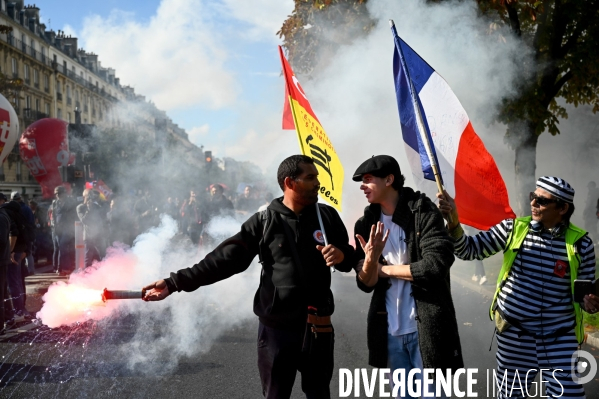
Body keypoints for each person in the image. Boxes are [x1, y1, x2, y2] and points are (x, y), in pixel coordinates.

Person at [143, 155, 356, 399]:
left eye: (317, 177)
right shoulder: (264, 221)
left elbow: (350, 259)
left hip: (319, 327)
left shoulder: (327, 217)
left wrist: (341, 255)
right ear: (290, 182)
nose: (318, 182)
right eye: (310, 177)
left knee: (319, 394)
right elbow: (222, 261)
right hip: (276, 332)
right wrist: (174, 282)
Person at [437, 176, 599, 398]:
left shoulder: (582, 244)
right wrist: (454, 222)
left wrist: (590, 302)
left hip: (559, 338)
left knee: (569, 395)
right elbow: (469, 250)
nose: (533, 203)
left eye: (541, 201)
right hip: (515, 336)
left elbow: (584, 294)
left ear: (562, 208)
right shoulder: (512, 229)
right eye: (533, 197)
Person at [352, 155, 463, 398]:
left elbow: (435, 266)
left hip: (426, 328)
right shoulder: (366, 223)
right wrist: (371, 261)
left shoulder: (422, 212)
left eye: (368, 180)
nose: (362, 185)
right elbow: (366, 284)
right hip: (390, 331)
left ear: (389, 180)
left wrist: (385, 269)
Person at [77, 189, 107, 267]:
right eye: (88, 196)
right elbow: (84, 220)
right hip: (88, 235)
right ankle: (87, 275)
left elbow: (103, 217)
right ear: (84, 197)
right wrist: (89, 209)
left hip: (99, 234)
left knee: (102, 256)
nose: (90, 198)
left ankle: (102, 274)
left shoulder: (96, 206)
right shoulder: (80, 207)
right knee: (88, 257)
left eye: (91, 195)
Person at [51, 186, 78, 274]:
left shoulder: (71, 202)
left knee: (63, 246)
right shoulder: (55, 203)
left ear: (64, 193)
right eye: (56, 194)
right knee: (60, 248)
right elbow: (54, 215)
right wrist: (54, 225)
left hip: (68, 228)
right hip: (58, 229)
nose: (57, 195)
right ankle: (61, 267)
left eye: (59, 193)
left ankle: (66, 267)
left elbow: (75, 215)